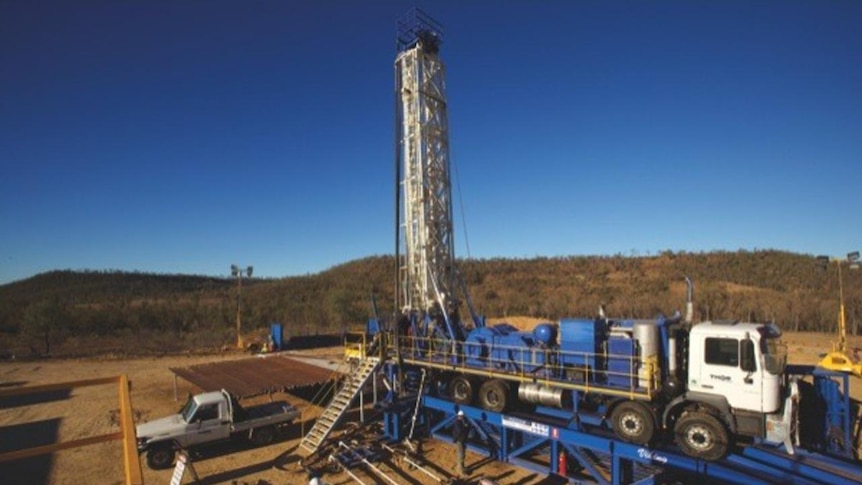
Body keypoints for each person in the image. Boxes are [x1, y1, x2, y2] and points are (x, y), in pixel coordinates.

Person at [452, 409, 470, 476]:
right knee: (461, 455)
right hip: (460, 441)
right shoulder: (458, 423)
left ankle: (461, 467)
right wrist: (466, 427)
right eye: (462, 416)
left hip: (461, 440)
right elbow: (460, 431)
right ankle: (461, 471)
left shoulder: (460, 422)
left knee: (462, 454)